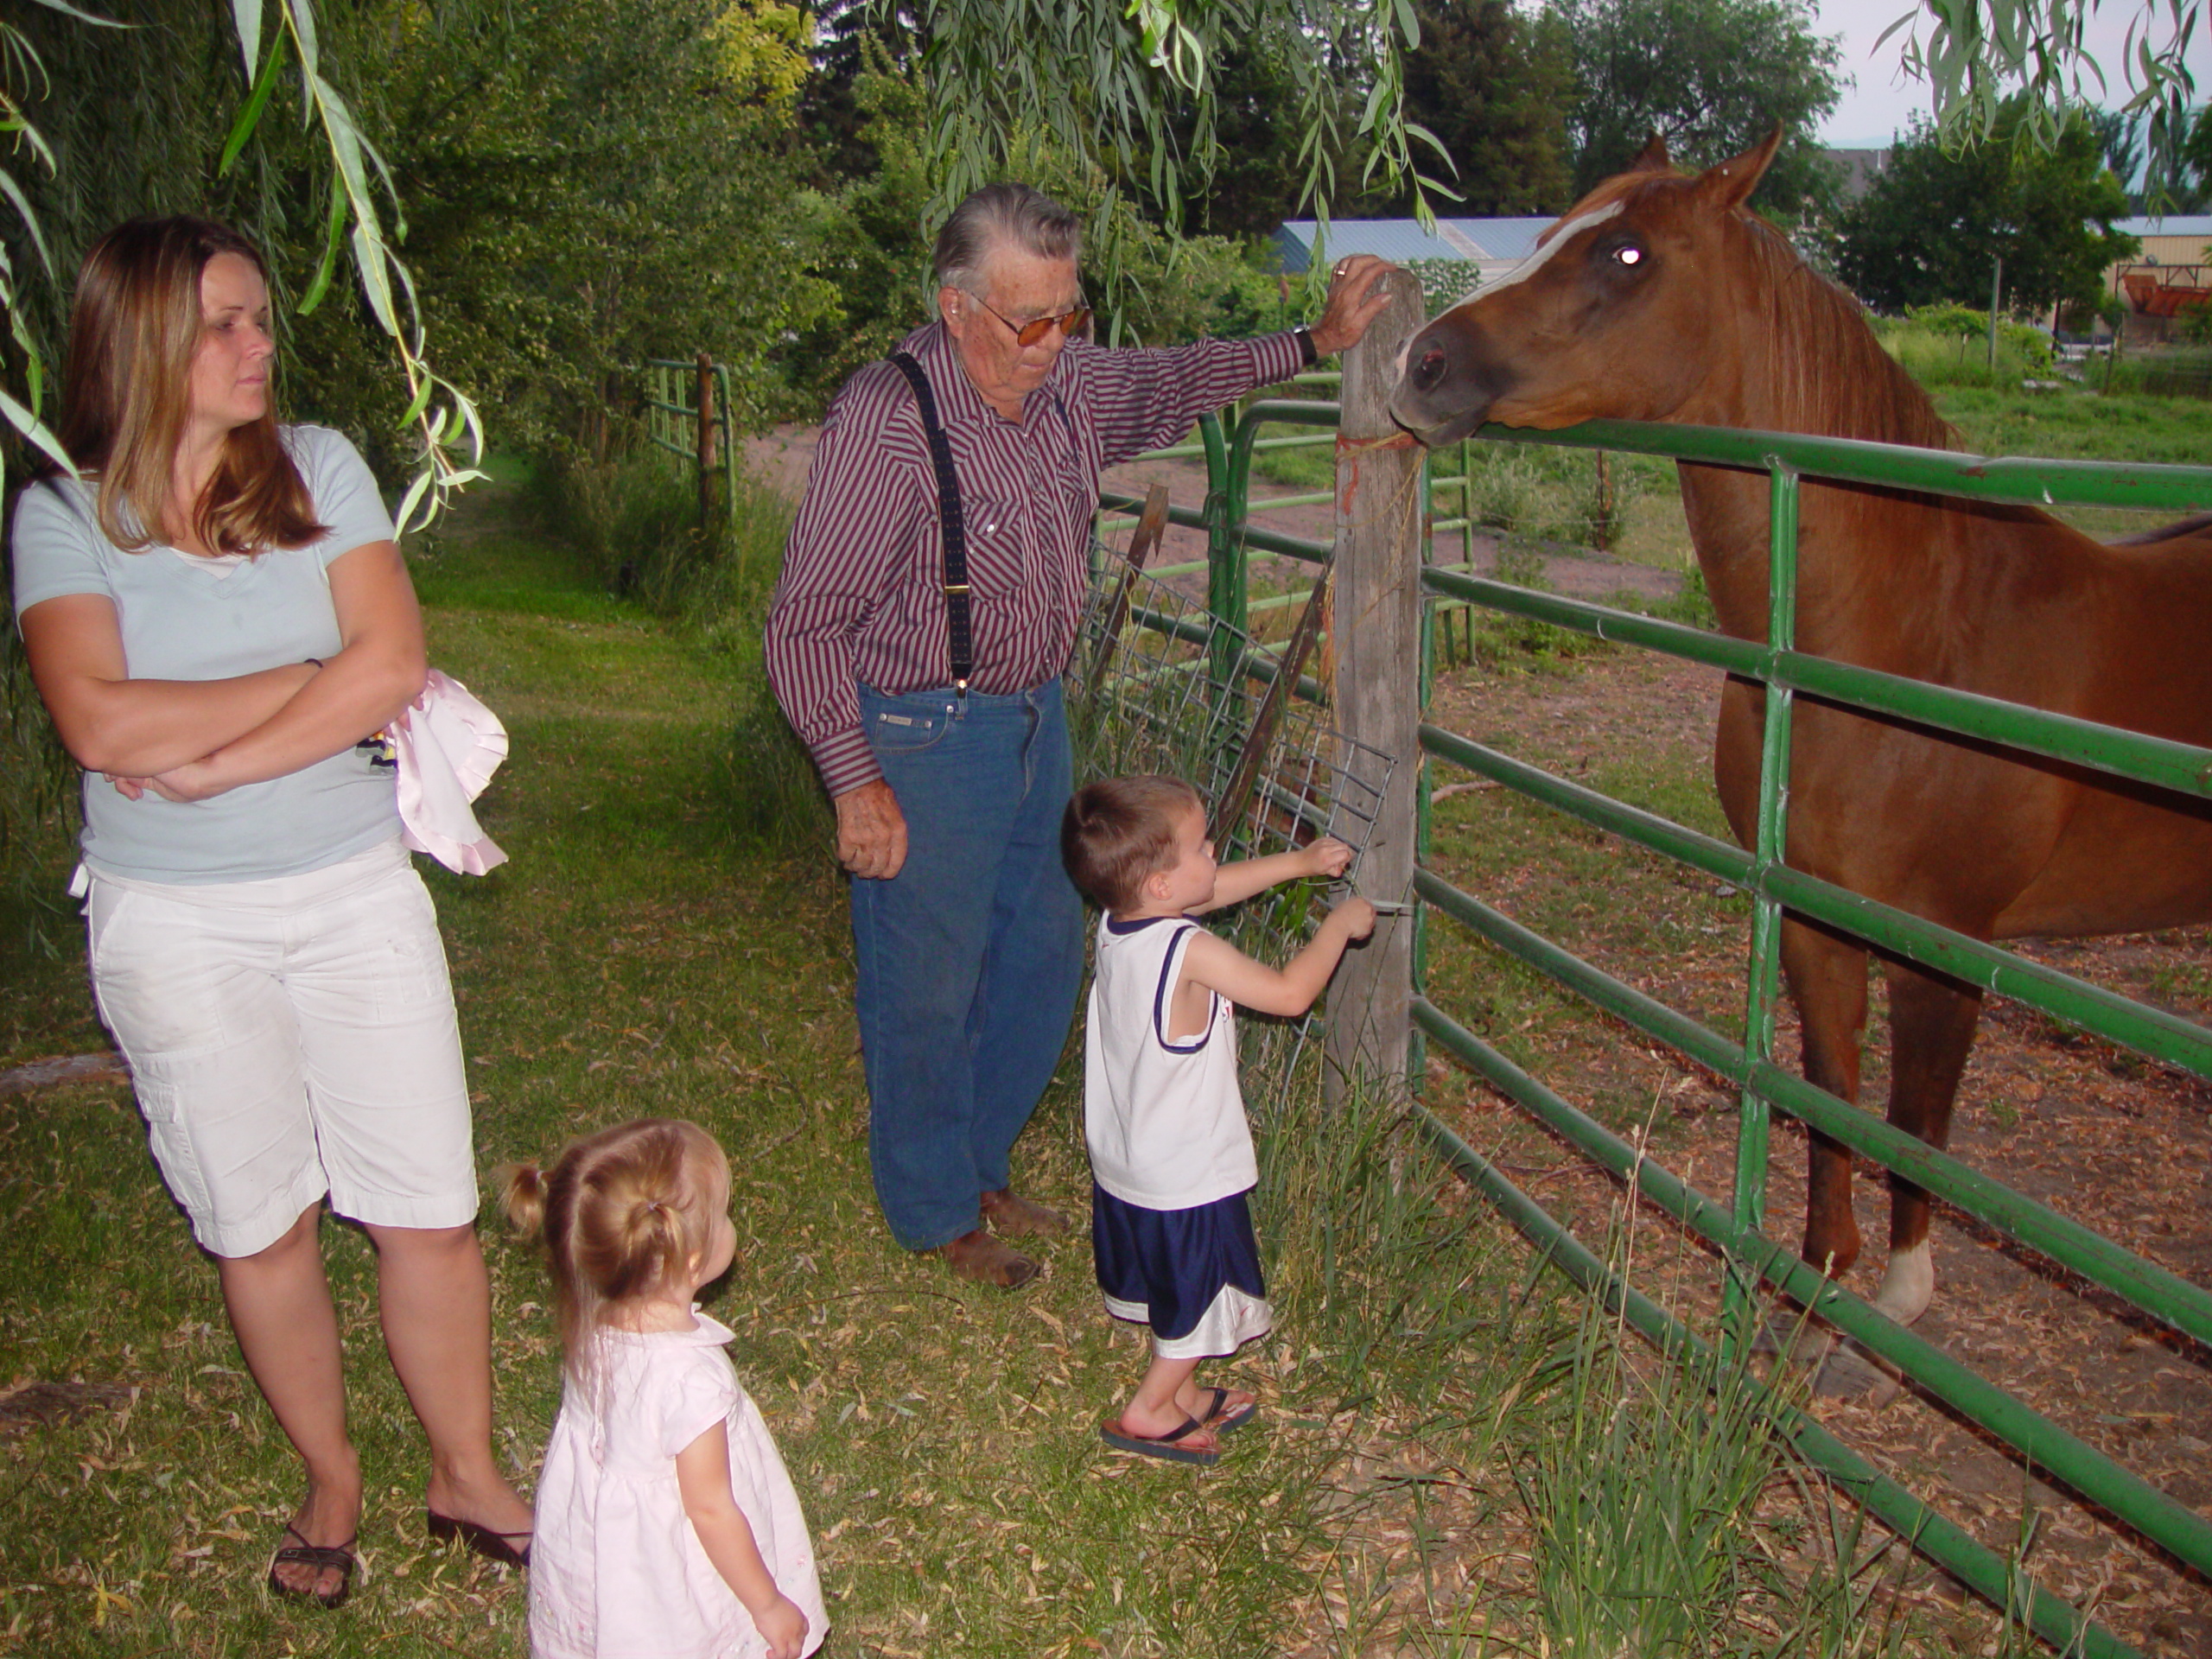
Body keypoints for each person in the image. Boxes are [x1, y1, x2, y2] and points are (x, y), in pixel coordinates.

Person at [9, 215, 532, 1605]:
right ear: (143, 343)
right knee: (260, 1221)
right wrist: (317, 672)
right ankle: (332, 1474)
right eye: (226, 324)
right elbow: (94, 717)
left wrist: (222, 756)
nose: (258, 347)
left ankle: (466, 1472)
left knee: (425, 1201)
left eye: (258, 319)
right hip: (173, 923)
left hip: (355, 889)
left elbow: (396, 664)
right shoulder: (61, 516)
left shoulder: (321, 470)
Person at [764, 181, 1396, 1288]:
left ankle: (982, 1161)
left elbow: (1178, 375)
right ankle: (931, 1207)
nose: (1056, 344)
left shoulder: (1069, 386)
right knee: (926, 977)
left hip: (1031, 716)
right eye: (1030, 322)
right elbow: (805, 623)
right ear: (957, 310)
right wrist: (853, 779)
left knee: (1047, 955)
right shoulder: (885, 421)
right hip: (918, 729)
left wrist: (1316, 337)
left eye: (1071, 314)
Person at [1060, 774, 1375, 1465]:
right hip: (1187, 1175)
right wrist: (1336, 926)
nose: (1215, 853)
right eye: (1203, 845)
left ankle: (1181, 1394)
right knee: (1204, 1297)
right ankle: (1148, 1408)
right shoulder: (1190, 953)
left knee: (1174, 1283)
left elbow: (1211, 888)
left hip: (1131, 1160)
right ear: (1163, 886)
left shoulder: (1121, 923)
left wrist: (1298, 863)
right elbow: (1290, 995)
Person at [503, 1118, 827, 1659]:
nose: (729, 1224)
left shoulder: (591, 1331)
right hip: (674, 1569)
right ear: (692, 1260)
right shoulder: (690, 1377)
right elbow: (710, 1509)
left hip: (611, 1557)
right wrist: (766, 1604)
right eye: (723, 1215)